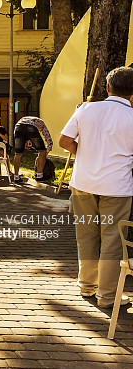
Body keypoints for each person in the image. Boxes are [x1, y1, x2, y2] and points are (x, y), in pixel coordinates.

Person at [59, 67, 133, 309]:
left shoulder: (86, 109)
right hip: (117, 186)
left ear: (107, 87)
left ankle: (87, 285)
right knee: (112, 240)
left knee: (86, 235)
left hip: (83, 182)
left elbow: (64, 141)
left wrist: (84, 153)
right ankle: (108, 295)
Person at [12, 115, 53, 182]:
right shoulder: (41, 123)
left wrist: (25, 143)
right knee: (42, 151)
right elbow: (48, 139)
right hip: (31, 127)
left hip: (18, 128)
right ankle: (39, 176)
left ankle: (16, 177)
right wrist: (46, 152)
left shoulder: (23, 119)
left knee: (18, 153)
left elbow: (24, 133)